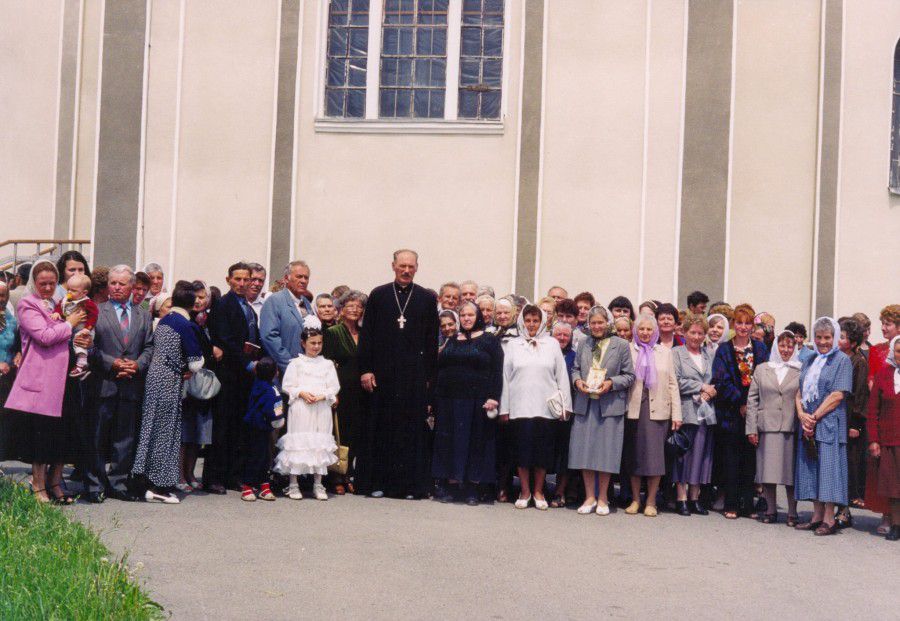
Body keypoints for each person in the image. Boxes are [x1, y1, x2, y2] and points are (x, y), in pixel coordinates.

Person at [357, 250, 439, 499]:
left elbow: (431, 341)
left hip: (413, 375)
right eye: (401, 265)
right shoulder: (379, 295)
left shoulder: (425, 298)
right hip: (383, 373)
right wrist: (365, 369)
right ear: (393, 266)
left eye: (410, 266)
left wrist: (429, 377)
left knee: (410, 431)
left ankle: (409, 486)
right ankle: (378, 483)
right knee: (382, 428)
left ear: (417, 268)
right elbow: (367, 335)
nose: (406, 270)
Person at [6, 261, 85, 504]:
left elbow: (69, 335)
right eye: (43, 284)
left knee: (63, 433)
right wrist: (69, 324)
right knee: (41, 436)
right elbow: (44, 336)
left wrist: (81, 339)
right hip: (43, 379)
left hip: (66, 377)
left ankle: (55, 482)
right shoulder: (28, 304)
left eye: (52, 283)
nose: (48, 288)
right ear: (33, 283)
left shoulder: (59, 303)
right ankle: (39, 485)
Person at [84, 265, 154, 503]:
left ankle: (119, 483)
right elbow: (88, 345)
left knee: (125, 438)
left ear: (132, 287)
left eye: (121, 284)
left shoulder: (143, 314)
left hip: (131, 385)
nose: (115, 287)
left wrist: (137, 365)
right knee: (98, 436)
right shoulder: (95, 311)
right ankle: (95, 484)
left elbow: (149, 346)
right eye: (112, 283)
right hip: (104, 382)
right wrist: (112, 363)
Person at [131, 281, 203, 503]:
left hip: (154, 377)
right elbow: (195, 363)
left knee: (150, 428)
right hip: (169, 380)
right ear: (191, 303)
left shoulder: (165, 320)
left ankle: (142, 477)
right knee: (166, 431)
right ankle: (160, 485)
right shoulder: (185, 324)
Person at [499, 305, 572, 510]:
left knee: (542, 454)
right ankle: (524, 491)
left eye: (536, 320)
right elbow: (505, 377)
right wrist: (505, 408)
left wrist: (565, 406)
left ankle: (539, 492)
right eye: (528, 320)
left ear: (542, 322)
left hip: (545, 408)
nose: (532, 324)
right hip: (520, 407)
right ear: (523, 321)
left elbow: (562, 376)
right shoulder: (513, 344)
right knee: (522, 452)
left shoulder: (552, 344)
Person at [431, 302, 503, 505]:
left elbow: (497, 371)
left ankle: (472, 487)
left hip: (477, 401)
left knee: (474, 443)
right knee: (450, 443)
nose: (467, 318)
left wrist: (493, 397)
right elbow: (441, 367)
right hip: (449, 400)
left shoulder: (489, 340)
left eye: (471, 315)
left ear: (478, 316)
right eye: (463, 315)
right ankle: (451, 485)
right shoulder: (452, 340)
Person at [568, 306, 635, 515]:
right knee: (585, 450)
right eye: (593, 323)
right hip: (586, 402)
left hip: (609, 404)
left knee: (606, 452)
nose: (597, 326)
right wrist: (577, 381)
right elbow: (575, 368)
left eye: (600, 322)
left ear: (608, 323)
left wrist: (611, 383)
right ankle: (589, 497)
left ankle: (604, 498)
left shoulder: (621, 345)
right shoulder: (583, 344)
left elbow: (629, 375)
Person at [793, 317, 853, 536]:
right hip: (808, 423)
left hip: (828, 424)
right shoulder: (809, 359)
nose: (822, 342)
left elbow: (838, 394)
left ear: (835, 337)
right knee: (812, 470)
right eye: (818, 337)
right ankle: (816, 516)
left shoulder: (842, 361)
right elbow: (799, 391)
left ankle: (829, 519)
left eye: (827, 337)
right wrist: (801, 415)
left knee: (829, 470)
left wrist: (814, 417)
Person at [205, 262, 260, 494]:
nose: (241, 283)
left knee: (239, 427)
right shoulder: (222, 305)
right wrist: (247, 362)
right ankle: (214, 477)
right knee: (222, 427)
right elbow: (224, 339)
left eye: (245, 279)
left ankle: (233, 475)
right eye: (237, 279)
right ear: (228, 280)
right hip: (229, 374)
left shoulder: (248, 307)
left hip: (245, 378)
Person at [712, 303, 768, 519]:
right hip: (730, 413)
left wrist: (751, 405)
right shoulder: (724, 349)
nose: (743, 327)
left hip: (753, 412)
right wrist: (740, 403)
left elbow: (764, 377)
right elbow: (721, 380)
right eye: (740, 323)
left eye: (747, 323)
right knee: (731, 459)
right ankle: (731, 504)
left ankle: (748, 504)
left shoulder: (760, 349)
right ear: (734, 324)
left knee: (749, 460)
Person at [623, 315, 681, 517]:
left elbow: (673, 384)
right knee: (635, 457)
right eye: (641, 329)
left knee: (655, 459)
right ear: (636, 330)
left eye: (649, 329)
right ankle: (635, 500)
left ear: (655, 331)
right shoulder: (629, 349)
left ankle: (651, 501)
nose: (645, 333)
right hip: (634, 409)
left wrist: (677, 414)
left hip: (659, 411)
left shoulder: (665, 352)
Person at [275, 317, 339, 501]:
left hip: (321, 408)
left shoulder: (326, 364)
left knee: (319, 443)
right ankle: (293, 483)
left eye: (319, 343)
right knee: (299, 443)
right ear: (303, 343)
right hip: (302, 407)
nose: (316, 346)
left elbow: (333, 387)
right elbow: (287, 385)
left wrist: (323, 395)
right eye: (312, 343)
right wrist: (301, 393)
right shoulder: (296, 363)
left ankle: (318, 484)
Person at [745, 329, 802, 525]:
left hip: (790, 427)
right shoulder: (762, 369)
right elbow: (752, 399)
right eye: (782, 345)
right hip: (767, 426)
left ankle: (792, 512)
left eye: (790, 346)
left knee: (789, 474)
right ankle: (770, 510)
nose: (786, 350)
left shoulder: (800, 369)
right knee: (767, 471)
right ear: (776, 346)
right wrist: (751, 428)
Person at [672, 313, 717, 516]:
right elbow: (676, 380)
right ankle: (681, 497)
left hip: (706, 411)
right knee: (684, 455)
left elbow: (715, 378)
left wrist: (711, 390)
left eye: (700, 333)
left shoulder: (709, 354)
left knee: (701, 454)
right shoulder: (677, 353)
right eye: (693, 332)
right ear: (684, 332)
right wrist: (700, 386)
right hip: (685, 409)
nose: (697, 337)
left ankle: (695, 497)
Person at [322, 290, 367, 494]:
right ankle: (336, 476)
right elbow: (328, 364)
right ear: (341, 308)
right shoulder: (333, 332)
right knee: (340, 433)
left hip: (362, 391)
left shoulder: (365, 333)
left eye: (358, 306)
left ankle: (350, 474)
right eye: (350, 305)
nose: (354, 309)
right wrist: (332, 391)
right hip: (341, 389)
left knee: (358, 432)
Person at [865, 304, 900, 533]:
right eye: (883, 323)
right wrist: (874, 438)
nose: (883, 328)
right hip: (887, 433)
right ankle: (892, 520)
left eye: (888, 324)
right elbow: (873, 408)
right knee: (889, 482)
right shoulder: (881, 359)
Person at [179, 280, 215, 492]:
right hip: (187, 381)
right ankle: (180, 474)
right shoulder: (186, 320)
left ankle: (191, 472)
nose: (199, 301)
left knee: (197, 434)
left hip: (203, 384)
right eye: (196, 297)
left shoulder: (209, 321)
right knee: (184, 432)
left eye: (203, 297)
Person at [835, 317, 869, 527]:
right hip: (836, 417)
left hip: (850, 420)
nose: (839, 339)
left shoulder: (858, 361)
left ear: (853, 341)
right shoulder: (838, 358)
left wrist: (855, 424)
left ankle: (845, 509)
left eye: (843, 336)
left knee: (849, 466)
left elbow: (860, 394)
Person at [241, 357, 285, 502]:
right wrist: (277, 420)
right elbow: (272, 409)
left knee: (262, 455)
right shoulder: (268, 389)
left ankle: (263, 484)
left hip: (259, 426)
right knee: (258, 456)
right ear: (274, 373)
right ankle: (248, 486)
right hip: (260, 427)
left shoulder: (261, 385)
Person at [260, 261, 315, 375]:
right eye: (299, 277)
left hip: (307, 369)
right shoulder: (274, 301)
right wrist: (290, 365)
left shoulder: (306, 303)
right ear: (286, 278)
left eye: (306, 277)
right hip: (284, 371)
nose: (303, 281)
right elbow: (269, 337)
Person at [53, 273, 99, 379]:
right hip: (70, 328)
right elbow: (60, 306)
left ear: (84, 293)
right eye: (68, 289)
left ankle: (81, 364)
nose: (69, 292)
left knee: (79, 341)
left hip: (84, 329)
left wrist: (88, 328)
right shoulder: (66, 299)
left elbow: (93, 316)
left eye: (73, 290)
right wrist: (57, 312)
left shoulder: (87, 303)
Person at [0, 283, 19, 461]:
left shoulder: (11, 319)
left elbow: (15, 345)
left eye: (3, 295)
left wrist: (17, 357)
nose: (0, 299)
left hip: (5, 379)